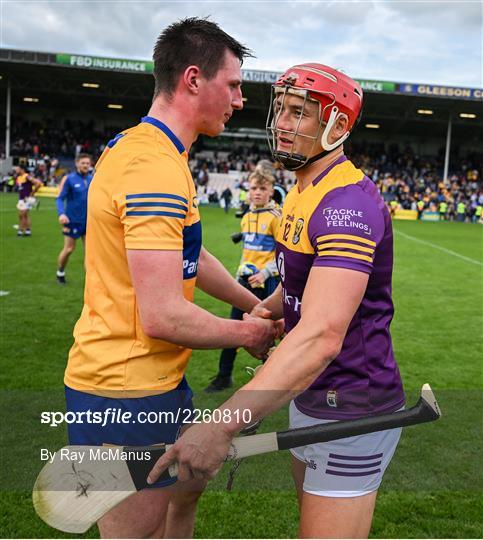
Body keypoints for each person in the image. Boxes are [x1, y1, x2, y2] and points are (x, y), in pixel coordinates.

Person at [150, 63, 406, 539]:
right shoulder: (303, 189)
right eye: (281, 110)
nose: (282, 123)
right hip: (308, 393)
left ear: (337, 125)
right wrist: (268, 308)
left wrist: (221, 425)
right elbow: (301, 284)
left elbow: (322, 335)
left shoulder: (347, 205)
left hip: (351, 405)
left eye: (299, 113)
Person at [63, 18, 280, 539]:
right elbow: (162, 314)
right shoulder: (153, 168)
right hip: (124, 391)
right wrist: (250, 333)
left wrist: (249, 301)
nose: (241, 99)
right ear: (192, 79)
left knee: (166, 523)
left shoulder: (150, 150)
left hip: (149, 382)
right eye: (233, 85)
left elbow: (189, 254)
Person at [205, 169, 281, 392]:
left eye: (262, 189)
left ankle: (274, 383)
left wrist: (266, 273)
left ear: (271, 192)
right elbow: (247, 251)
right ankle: (223, 376)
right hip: (246, 281)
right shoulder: (247, 217)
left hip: (267, 283)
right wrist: (240, 273)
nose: (257, 193)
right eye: (254, 188)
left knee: (273, 332)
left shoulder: (277, 217)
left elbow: (285, 254)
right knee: (234, 327)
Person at [55, 153, 93, 284]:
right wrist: (61, 214)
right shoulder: (69, 179)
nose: (85, 166)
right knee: (69, 249)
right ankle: (60, 271)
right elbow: (60, 198)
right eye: (83, 163)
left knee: (90, 254)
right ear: (77, 164)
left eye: (88, 163)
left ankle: (90, 281)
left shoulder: (92, 179)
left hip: (89, 222)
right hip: (72, 221)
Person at [15, 163, 42, 236]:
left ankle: (20, 230)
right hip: (21, 199)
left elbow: (38, 183)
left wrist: (32, 193)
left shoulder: (27, 176)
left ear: (22, 169)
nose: (16, 170)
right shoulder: (18, 178)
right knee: (24, 215)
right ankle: (28, 231)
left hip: (27, 199)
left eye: (17, 168)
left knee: (23, 214)